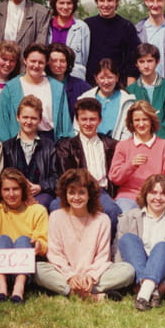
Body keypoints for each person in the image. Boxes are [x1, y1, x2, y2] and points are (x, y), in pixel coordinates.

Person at [35, 169, 134, 300]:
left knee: (127, 270)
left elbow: (103, 257)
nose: (76, 197)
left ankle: (72, 291)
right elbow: (55, 254)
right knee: (37, 269)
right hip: (64, 274)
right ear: (65, 194)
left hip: (94, 276)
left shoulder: (102, 219)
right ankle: (90, 295)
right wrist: (71, 276)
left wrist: (91, 276)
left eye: (81, 192)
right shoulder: (55, 217)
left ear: (89, 195)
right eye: (72, 192)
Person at [115, 175, 165, 310]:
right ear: (145, 194)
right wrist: (131, 281)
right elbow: (118, 255)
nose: (158, 198)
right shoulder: (127, 218)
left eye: (163, 194)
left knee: (162, 247)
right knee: (128, 239)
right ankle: (150, 291)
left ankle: (144, 294)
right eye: (153, 192)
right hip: (138, 270)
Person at [54, 98, 121, 234]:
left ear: (100, 120)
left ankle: (107, 245)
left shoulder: (111, 145)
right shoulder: (66, 146)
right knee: (55, 206)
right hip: (76, 191)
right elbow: (66, 176)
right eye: (84, 119)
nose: (88, 124)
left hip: (100, 192)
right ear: (77, 120)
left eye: (92, 119)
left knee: (113, 210)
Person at [0, 168, 49, 304]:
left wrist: (39, 246)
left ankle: (19, 288)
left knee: (24, 240)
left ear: (23, 190)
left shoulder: (38, 210)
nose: (11, 194)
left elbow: (43, 241)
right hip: (0, 266)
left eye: (15, 189)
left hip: (27, 268)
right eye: (6, 190)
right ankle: (1, 287)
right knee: (2, 239)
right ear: (0, 191)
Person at [0, 43, 72, 142]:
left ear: (46, 63)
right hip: (19, 141)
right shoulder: (10, 89)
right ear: (25, 60)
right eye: (33, 61)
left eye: (41, 62)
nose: (36, 65)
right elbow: (2, 126)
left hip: (51, 141)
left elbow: (65, 124)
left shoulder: (57, 88)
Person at [108, 100, 165, 212]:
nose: (141, 124)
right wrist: (130, 165)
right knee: (127, 216)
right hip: (128, 196)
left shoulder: (164, 145)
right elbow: (115, 178)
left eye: (145, 119)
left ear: (152, 121)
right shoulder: (123, 145)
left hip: (156, 196)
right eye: (137, 120)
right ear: (131, 123)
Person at [1, 95, 58, 210]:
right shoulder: (7, 147)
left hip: (41, 194)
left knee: (38, 207)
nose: (29, 122)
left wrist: (40, 187)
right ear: (18, 117)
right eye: (25, 117)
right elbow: (3, 176)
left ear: (40, 120)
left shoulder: (49, 146)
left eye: (33, 118)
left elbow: (56, 177)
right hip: (13, 193)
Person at [84, 0, 140, 86]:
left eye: (110, 0)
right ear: (96, 2)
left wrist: (130, 89)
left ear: (117, 2)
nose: (105, 5)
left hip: (119, 85)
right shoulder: (87, 25)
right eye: (102, 0)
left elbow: (133, 61)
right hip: (90, 84)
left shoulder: (127, 26)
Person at [126, 43, 165, 143]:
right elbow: (129, 122)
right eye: (141, 62)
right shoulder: (130, 91)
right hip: (138, 143)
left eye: (150, 61)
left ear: (157, 61)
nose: (146, 66)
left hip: (164, 143)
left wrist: (155, 141)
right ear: (136, 64)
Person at [78, 58, 135, 141]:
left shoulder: (126, 100)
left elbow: (128, 130)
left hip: (117, 145)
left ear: (117, 77)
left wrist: (119, 147)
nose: (106, 82)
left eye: (110, 77)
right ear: (96, 79)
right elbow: (78, 127)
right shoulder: (85, 98)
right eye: (102, 78)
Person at [47, 0, 90, 79]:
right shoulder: (47, 26)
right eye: (61, 3)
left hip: (74, 78)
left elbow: (84, 59)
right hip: (49, 78)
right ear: (55, 4)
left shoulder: (82, 27)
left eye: (69, 3)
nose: (65, 7)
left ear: (74, 5)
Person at [47, 42, 91, 121]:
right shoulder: (40, 84)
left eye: (62, 61)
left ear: (68, 63)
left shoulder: (81, 87)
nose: (58, 65)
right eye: (54, 61)